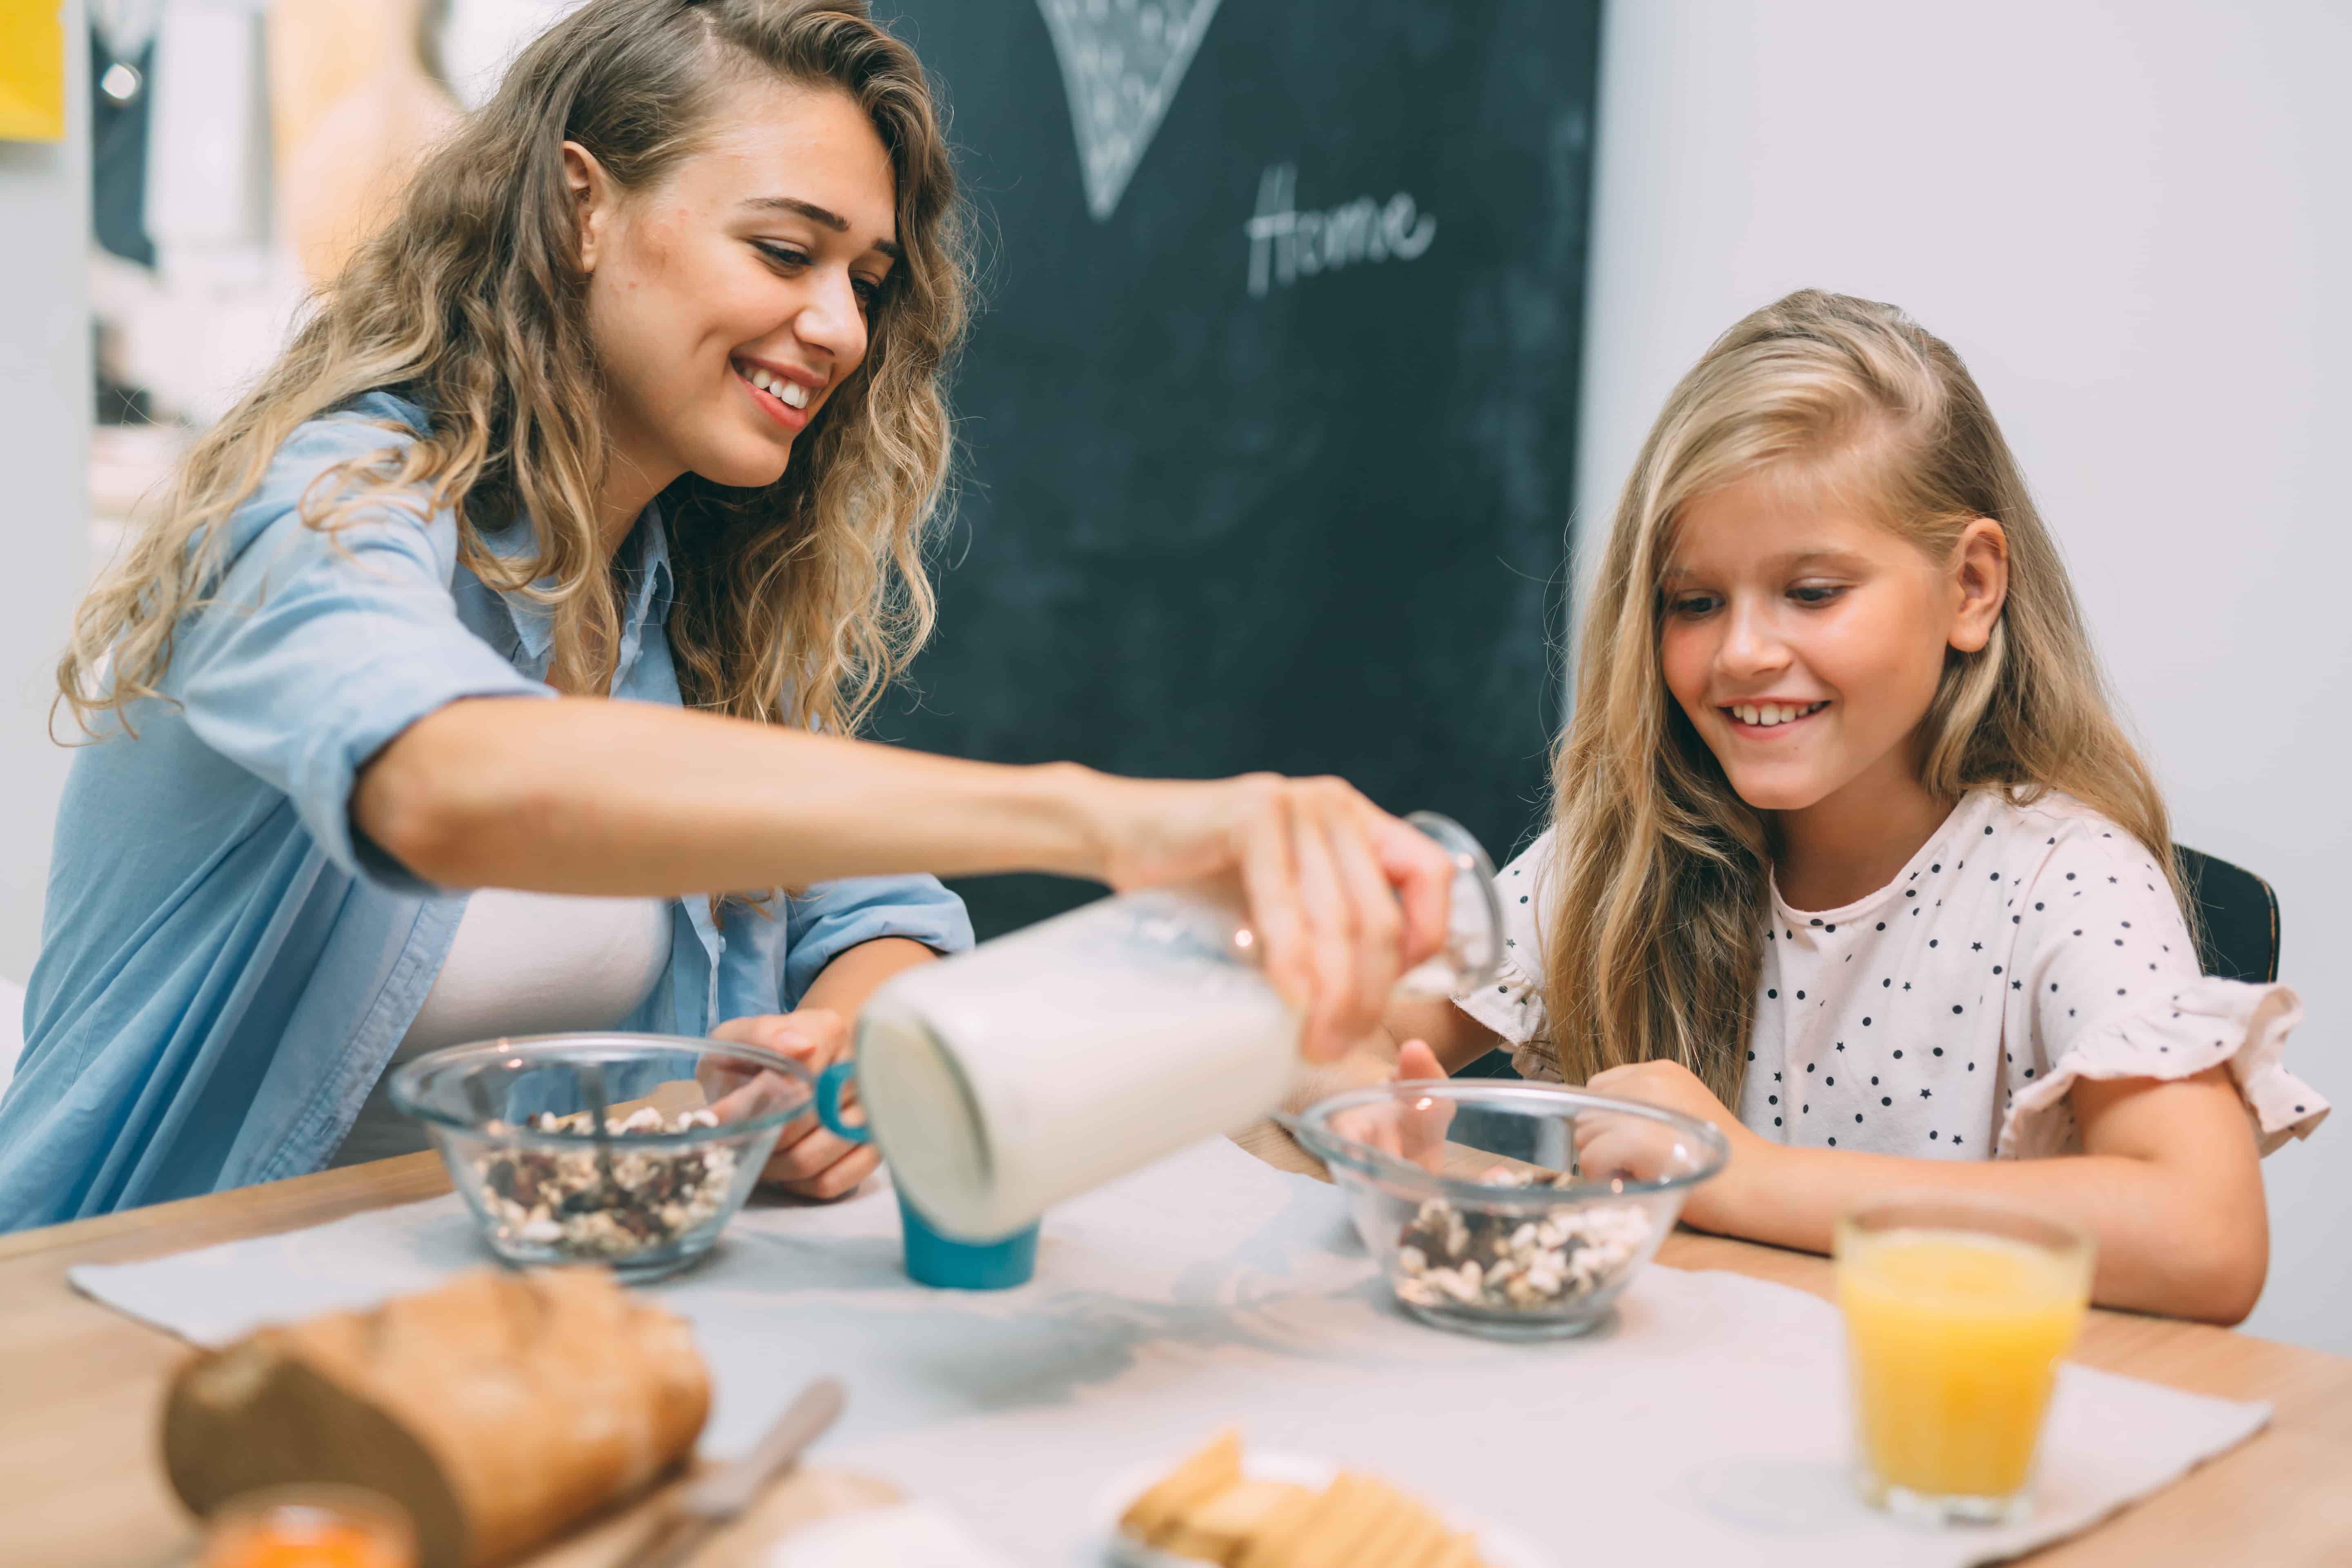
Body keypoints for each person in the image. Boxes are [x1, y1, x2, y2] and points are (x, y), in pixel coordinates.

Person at [0, 0, 1451, 1233]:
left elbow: (874, 922)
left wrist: (853, 1036)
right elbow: (450, 783)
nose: (839, 326)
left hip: (530, 1327)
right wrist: (1100, 820)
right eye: (785, 252)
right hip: (122, 1324)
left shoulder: (685, 598)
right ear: (582, 207)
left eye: (867, 281)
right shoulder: (326, 504)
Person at [1335, 290, 2325, 1324]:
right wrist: (1381, 1132)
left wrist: (1746, 1179)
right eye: (1695, 602)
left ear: (1972, 587)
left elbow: (2204, 1239)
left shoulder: (2064, 879)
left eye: (1813, 593)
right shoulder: (1625, 851)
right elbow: (1338, 1044)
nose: (1743, 653)